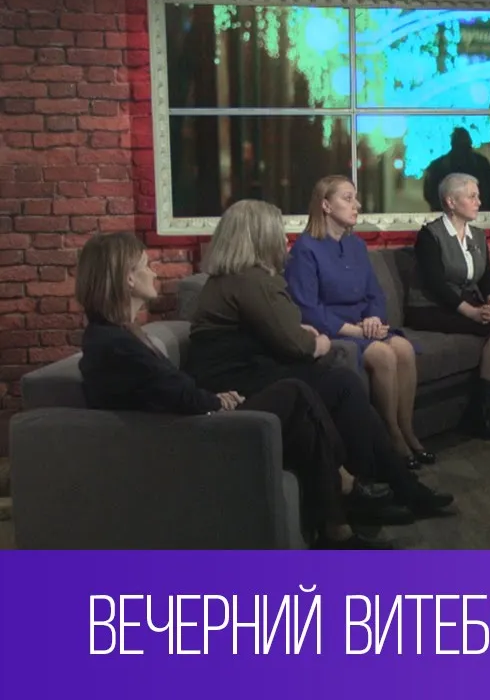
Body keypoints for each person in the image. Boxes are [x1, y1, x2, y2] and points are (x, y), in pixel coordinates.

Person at [74, 232, 391, 549]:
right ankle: (345, 486)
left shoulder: (120, 335)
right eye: (146, 265)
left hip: (187, 422)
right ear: (128, 279)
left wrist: (209, 398)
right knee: (295, 393)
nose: (153, 272)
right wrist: (214, 400)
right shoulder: (115, 344)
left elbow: (166, 388)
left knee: (302, 412)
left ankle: (337, 524)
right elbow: (174, 393)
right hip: (186, 438)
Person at [184, 199, 456, 518]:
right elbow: (298, 344)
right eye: (277, 231)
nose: (283, 238)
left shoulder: (230, 278)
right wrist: (321, 341)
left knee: (341, 384)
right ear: (260, 236)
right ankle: (382, 489)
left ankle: (385, 487)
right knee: (342, 384)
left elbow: (277, 329)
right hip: (238, 380)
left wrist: (301, 334)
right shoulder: (252, 281)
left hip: (241, 371)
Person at [284, 176, 435, 470]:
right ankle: (391, 436)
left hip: (364, 326)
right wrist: (356, 330)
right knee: (383, 354)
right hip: (334, 331)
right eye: (348, 198)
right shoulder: (305, 249)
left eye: (356, 198)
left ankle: (408, 430)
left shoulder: (355, 245)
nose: (358, 205)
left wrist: (375, 318)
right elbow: (307, 309)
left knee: (404, 349)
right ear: (326, 205)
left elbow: (374, 293)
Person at [405, 172, 490, 438]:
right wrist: (472, 312)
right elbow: (436, 285)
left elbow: (485, 276)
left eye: (478, 196)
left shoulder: (477, 236)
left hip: (464, 302)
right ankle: (481, 414)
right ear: (451, 202)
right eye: (472, 196)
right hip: (429, 307)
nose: (479, 202)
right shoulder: (430, 235)